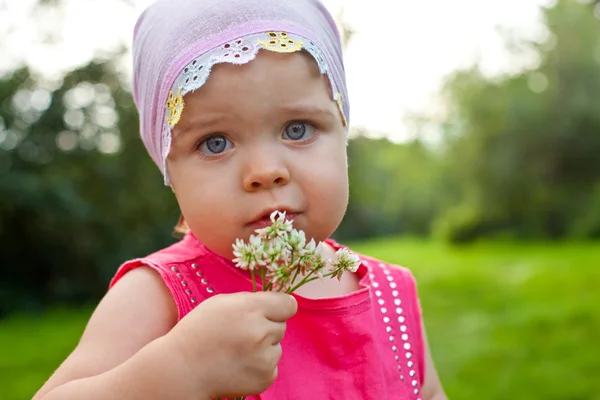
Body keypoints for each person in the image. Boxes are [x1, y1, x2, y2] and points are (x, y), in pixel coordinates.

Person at [34, 0, 447, 399]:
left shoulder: (393, 295)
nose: (266, 171)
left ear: (343, 132)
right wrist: (176, 372)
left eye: (298, 129)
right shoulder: (156, 296)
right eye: (215, 143)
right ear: (169, 171)